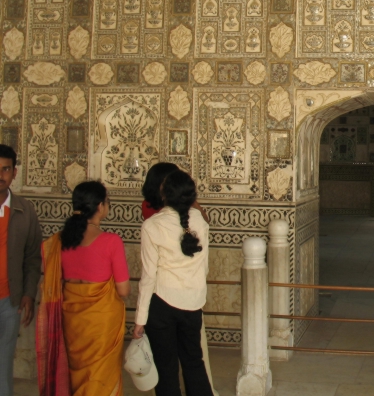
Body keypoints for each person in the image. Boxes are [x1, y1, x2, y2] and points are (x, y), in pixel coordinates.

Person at [38, 181, 130, 396]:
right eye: (107, 202)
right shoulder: (111, 241)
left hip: (72, 321)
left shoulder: (61, 241)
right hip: (102, 324)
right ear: (100, 206)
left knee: (77, 374)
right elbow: (124, 290)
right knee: (100, 379)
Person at [140, 163, 218, 396]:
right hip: (192, 303)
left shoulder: (152, 224)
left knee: (166, 369)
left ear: (164, 194)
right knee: (194, 362)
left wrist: (140, 320)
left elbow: (148, 277)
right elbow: (203, 267)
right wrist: (196, 296)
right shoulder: (200, 221)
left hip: (162, 303)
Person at [0, 144, 42, 396]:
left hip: (9, 299)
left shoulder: (25, 211)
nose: (0, 175)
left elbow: (32, 258)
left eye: (5, 169)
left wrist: (28, 294)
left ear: (14, 173)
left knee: (4, 362)